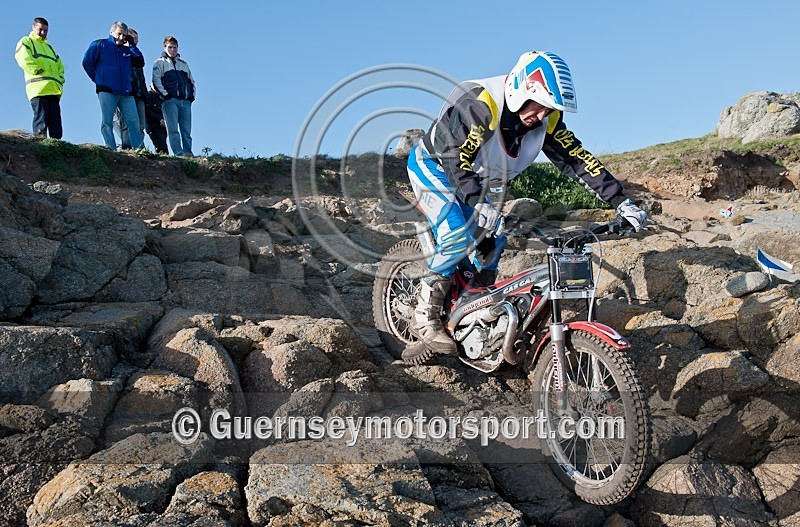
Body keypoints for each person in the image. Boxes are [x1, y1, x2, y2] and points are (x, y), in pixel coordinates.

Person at [406, 51, 647, 358]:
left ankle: (476, 308)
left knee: (496, 238)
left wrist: (621, 201)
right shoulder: (482, 104)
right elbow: (455, 159)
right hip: (436, 166)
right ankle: (425, 314)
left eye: (549, 110)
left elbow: (576, 159)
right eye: (540, 106)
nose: (542, 116)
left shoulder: (547, 119)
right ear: (522, 91)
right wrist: (481, 206)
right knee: (456, 238)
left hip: (472, 181)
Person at [82, 21, 144, 151]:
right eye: (119, 34)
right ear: (111, 32)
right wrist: (99, 80)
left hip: (126, 92)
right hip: (107, 90)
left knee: (134, 122)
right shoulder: (99, 45)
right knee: (107, 121)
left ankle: (139, 149)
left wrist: (132, 45)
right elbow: (87, 62)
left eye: (124, 35)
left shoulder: (128, 49)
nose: (121, 37)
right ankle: (111, 148)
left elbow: (140, 62)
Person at [14, 17, 65, 139]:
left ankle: (56, 145)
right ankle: (39, 142)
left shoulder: (50, 48)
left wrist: (60, 78)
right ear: (33, 27)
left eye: (45, 30)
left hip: (53, 89)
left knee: (55, 121)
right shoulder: (26, 41)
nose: (43, 33)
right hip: (38, 88)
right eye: (40, 29)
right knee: (41, 119)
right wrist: (37, 70)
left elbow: (59, 64)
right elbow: (23, 57)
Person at [152, 35, 195, 156]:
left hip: (185, 101)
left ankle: (188, 152)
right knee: (173, 130)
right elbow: (156, 81)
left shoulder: (183, 64)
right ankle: (178, 153)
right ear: (165, 47)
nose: (173, 50)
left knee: (186, 130)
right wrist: (166, 96)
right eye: (170, 47)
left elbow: (191, 81)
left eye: (175, 47)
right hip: (170, 101)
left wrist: (191, 96)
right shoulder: (159, 63)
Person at [112, 27, 147, 149]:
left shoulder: (136, 53)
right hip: (127, 93)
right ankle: (127, 147)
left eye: (137, 39)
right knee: (126, 123)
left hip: (140, 93)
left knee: (140, 124)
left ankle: (140, 148)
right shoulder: (120, 52)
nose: (135, 41)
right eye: (133, 38)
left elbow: (141, 66)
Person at [144, 84, 169, 154]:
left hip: (162, 126)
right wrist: (159, 119)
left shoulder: (163, 97)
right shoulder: (148, 96)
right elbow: (147, 111)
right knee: (160, 146)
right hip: (152, 125)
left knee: (163, 145)